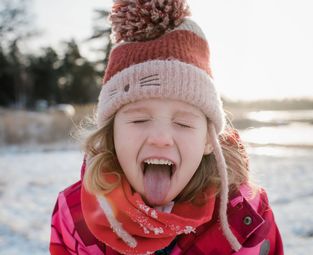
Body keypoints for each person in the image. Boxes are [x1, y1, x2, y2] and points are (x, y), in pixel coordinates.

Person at [49, 0, 283, 254]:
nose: (161, 138)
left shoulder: (245, 217)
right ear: (111, 133)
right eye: (139, 120)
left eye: (183, 123)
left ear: (208, 140)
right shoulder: (74, 215)